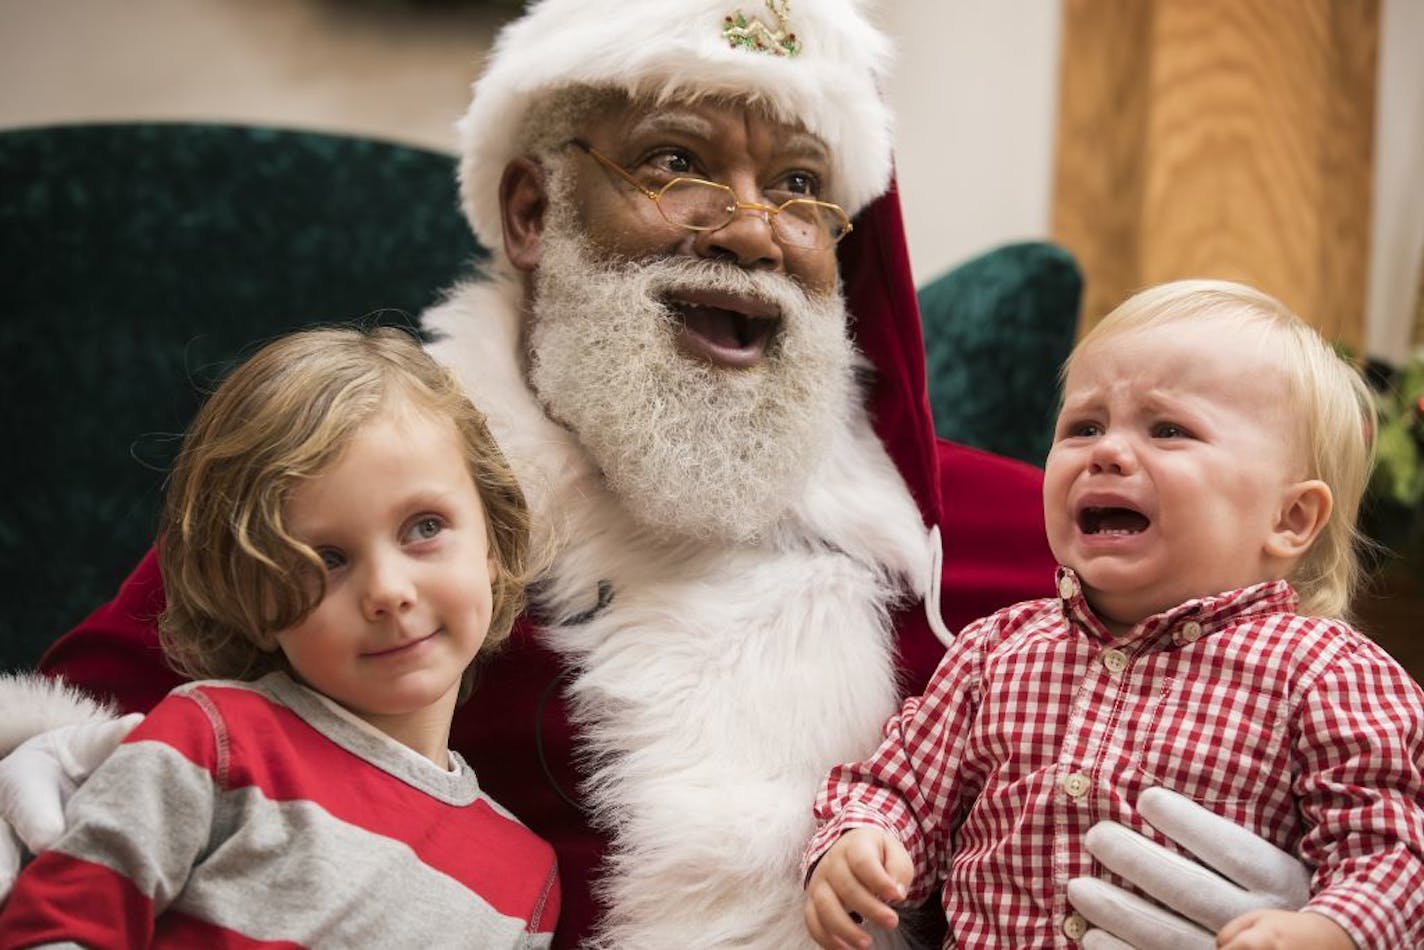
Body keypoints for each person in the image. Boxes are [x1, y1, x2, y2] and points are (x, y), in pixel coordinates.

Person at [0, 2, 1319, 946]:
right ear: (532, 211)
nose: (750, 226)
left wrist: (1307, 895)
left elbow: (1298, 714)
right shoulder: (359, 501)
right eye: (678, 161)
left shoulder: (985, 545)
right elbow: (100, 723)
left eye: (801, 187)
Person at [801, 280, 1424, 950]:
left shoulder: (1332, 674)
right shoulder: (995, 651)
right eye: (1084, 426)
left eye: (1168, 429)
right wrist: (862, 840)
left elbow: (1393, 849)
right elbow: (896, 784)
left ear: (1289, 517)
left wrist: (1331, 929)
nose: (1108, 451)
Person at [0, 326, 560, 947]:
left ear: (494, 541)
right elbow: (52, 929)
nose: (388, 590)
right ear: (257, 598)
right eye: (326, 559)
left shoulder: (527, 878)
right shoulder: (213, 739)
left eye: (424, 526)